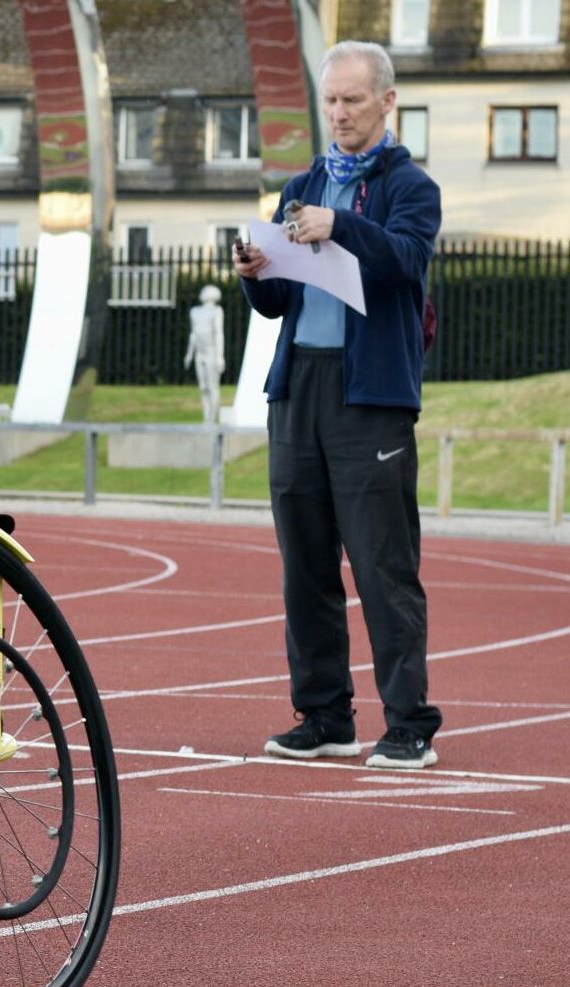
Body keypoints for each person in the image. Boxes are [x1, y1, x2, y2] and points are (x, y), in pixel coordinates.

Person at [234, 41, 444, 770]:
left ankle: (410, 724)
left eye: (353, 99)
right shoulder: (301, 183)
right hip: (299, 392)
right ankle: (325, 717)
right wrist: (254, 272)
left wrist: (340, 226)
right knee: (305, 563)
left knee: (384, 564)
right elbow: (277, 303)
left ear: (387, 102)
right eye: (331, 99)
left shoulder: (412, 186)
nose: (339, 113)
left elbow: (404, 263)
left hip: (372, 400)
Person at [184, 284, 225, 424]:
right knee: (203, 387)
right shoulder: (195, 311)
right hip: (199, 353)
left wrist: (220, 357)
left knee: (213, 387)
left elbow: (219, 333)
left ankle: (212, 420)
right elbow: (194, 334)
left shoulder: (217, 311)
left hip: (211, 352)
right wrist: (189, 354)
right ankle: (206, 418)